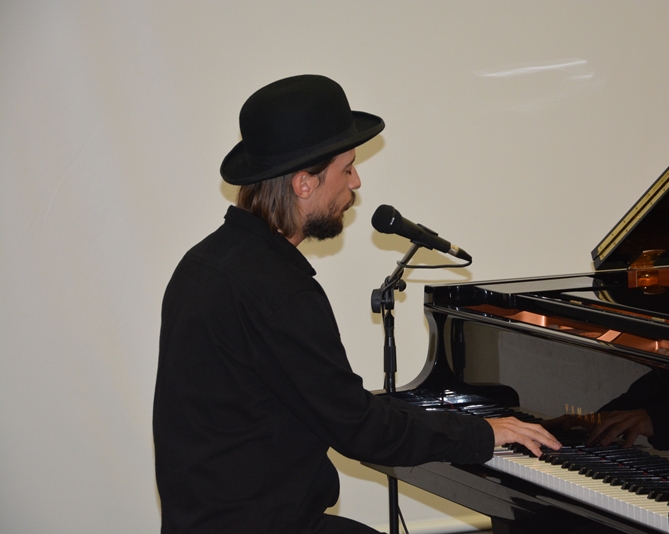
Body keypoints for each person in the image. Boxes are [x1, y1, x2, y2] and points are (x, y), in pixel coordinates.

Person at [152, 75, 561, 534]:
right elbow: (359, 429)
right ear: (304, 184)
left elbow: (328, 404)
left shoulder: (203, 263)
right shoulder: (278, 290)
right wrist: (481, 433)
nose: (357, 182)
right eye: (346, 170)